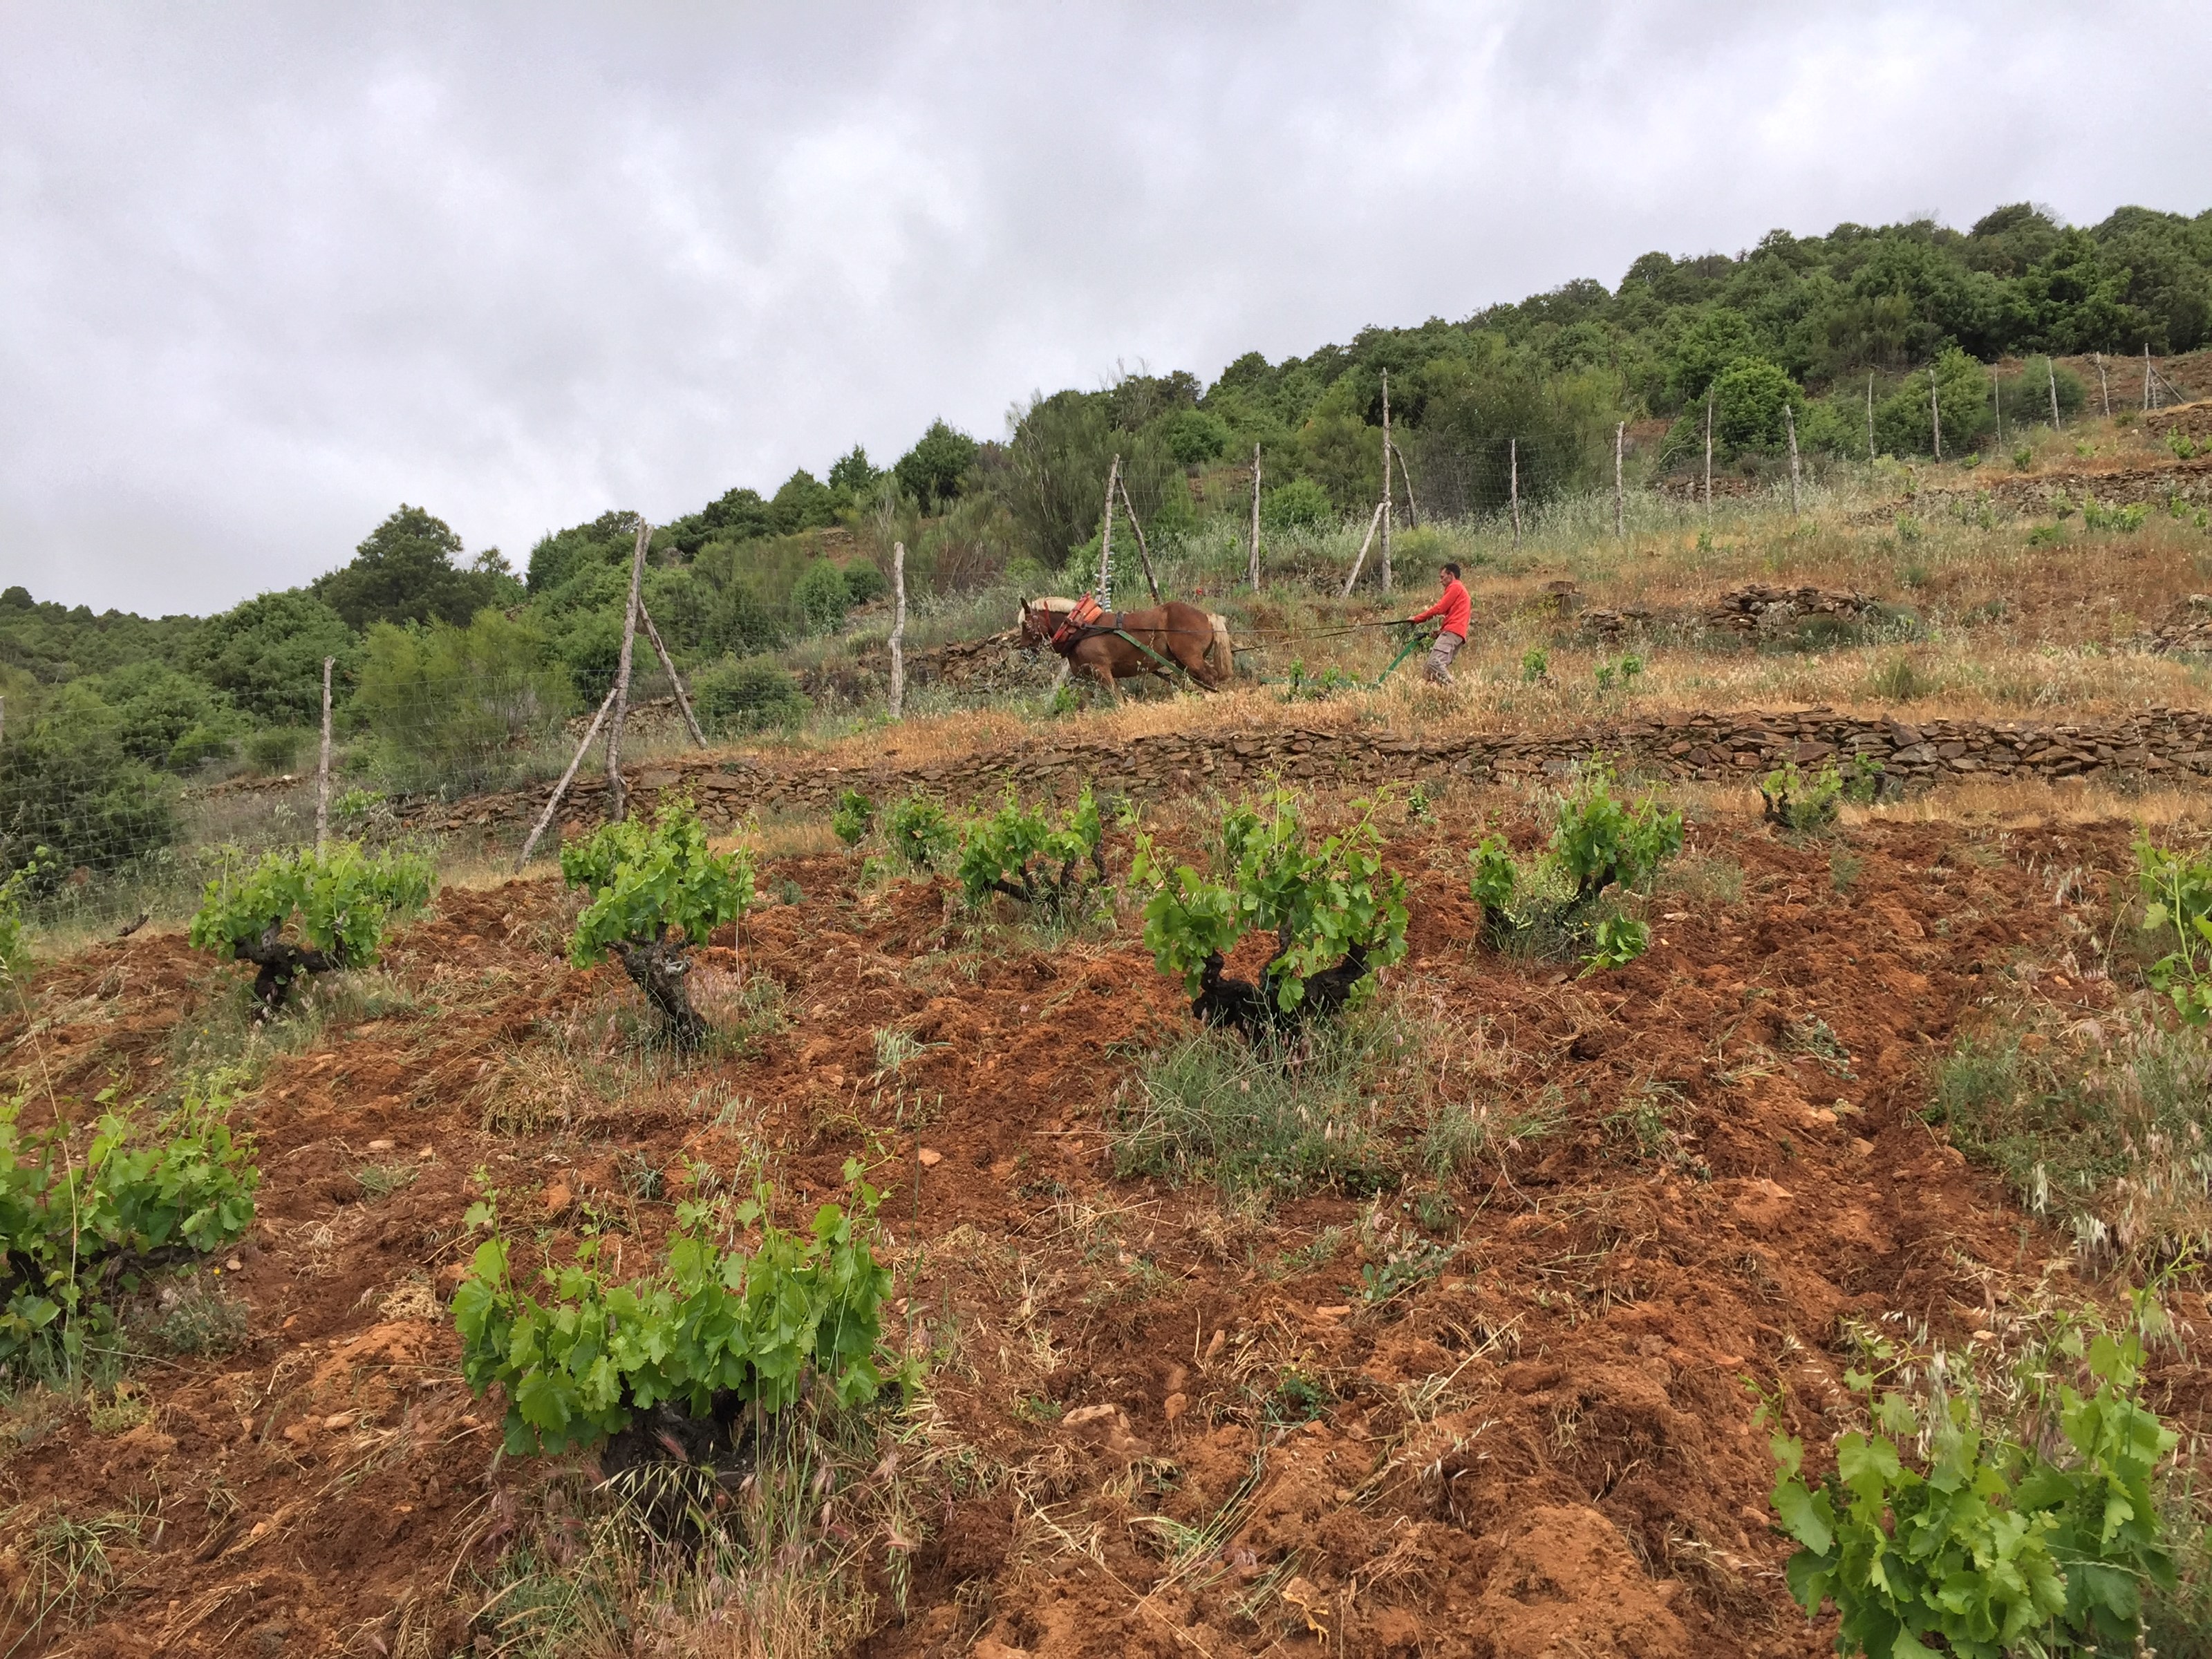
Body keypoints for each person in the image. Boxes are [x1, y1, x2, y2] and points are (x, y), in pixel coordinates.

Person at [1407, 562, 1471, 684]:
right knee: (1428, 672)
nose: (1440, 581)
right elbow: (1457, 616)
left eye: (1442, 577)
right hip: (1457, 633)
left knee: (1434, 663)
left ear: (1451, 575)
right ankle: (1430, 697)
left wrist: (1417, 619)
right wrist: (1441, 632)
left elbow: (1440, 609)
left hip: (1452, 632)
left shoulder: (1455, 587)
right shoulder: (1461, 591)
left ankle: (1457, 690)